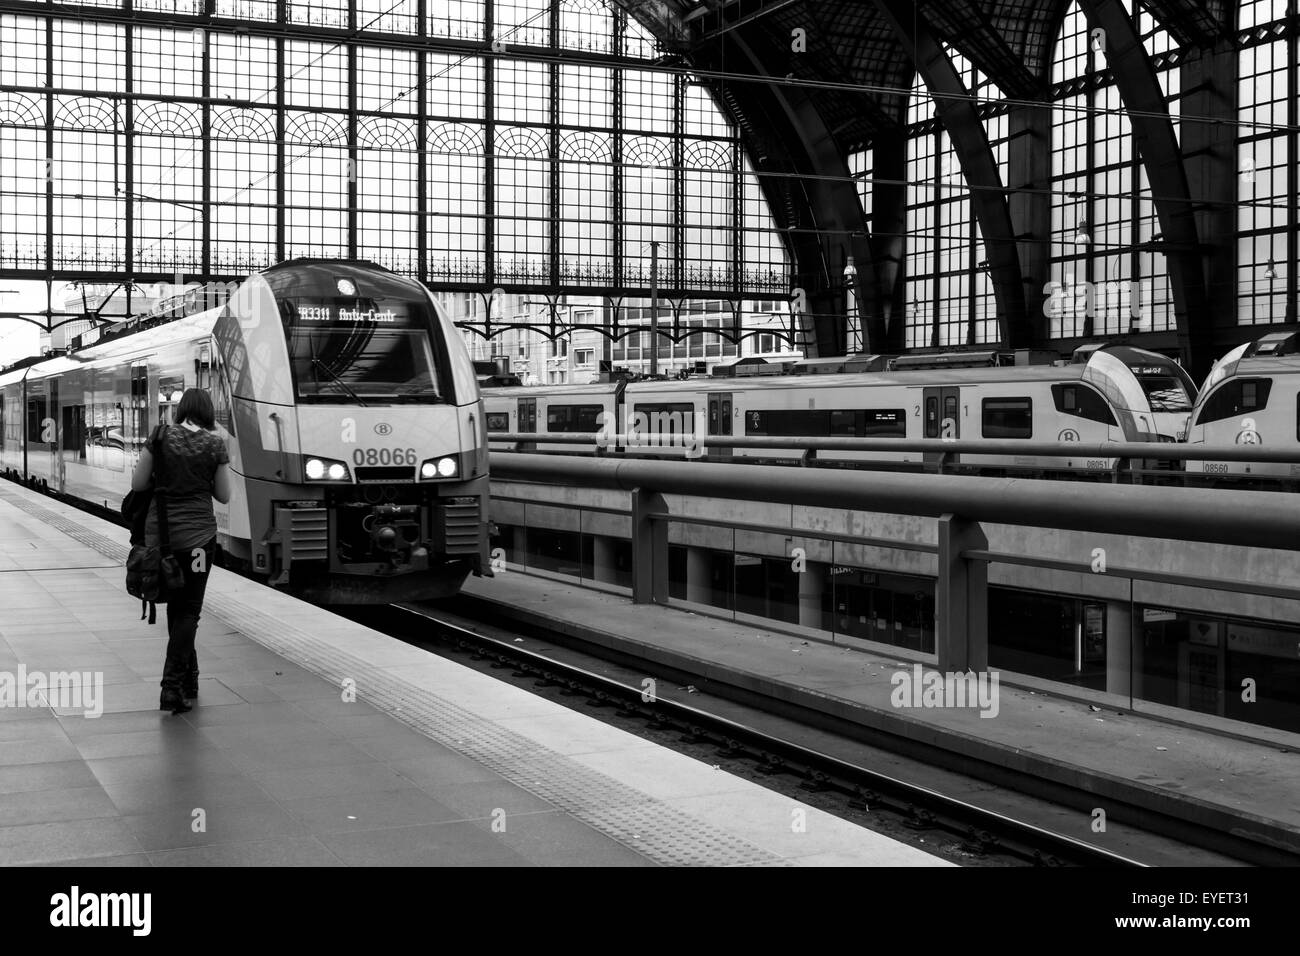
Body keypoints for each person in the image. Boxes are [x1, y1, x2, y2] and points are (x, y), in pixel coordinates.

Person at [131, 389, 232, 714]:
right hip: (200, 540)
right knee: (188, 610)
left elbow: (137, 484)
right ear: (207, 412)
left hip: (163, 540)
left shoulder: (159, 438)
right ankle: (171, 687)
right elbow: (224, 495)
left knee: (178, 608)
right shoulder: (214, 444)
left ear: (180, 409)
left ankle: (189, 680)